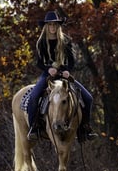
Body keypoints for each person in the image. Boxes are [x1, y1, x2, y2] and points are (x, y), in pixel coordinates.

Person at [27, 11, 98, 142]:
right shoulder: (41, 42)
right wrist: (48, 69)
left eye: (54, 25)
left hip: (63, 75)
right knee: (34, 96)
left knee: (88, 98)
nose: (52, 27)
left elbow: (71, 61)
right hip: (48, 75)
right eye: (50, 25)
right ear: (46, 26)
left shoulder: (65, 41)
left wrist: (66, 70)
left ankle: (85, 128)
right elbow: (38, 62)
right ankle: (34, 127)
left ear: (58, 26)